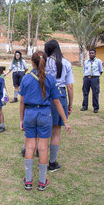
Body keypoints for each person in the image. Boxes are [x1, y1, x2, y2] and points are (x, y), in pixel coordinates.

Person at [19, 51, 71, 191]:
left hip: (29, 114)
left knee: (30, 147)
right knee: (43, 148)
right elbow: (57, 102)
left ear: (32, 62)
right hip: (44, 115)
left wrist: (21, 119)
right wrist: (65, 121)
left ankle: (28, 181)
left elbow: (22, 103)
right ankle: (42, 181)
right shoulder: (50, 79)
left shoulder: (26, 79)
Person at [44, 39, 74, 172]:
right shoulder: (66, 63)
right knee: (56, 131)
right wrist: (70, 104)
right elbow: (70, 86)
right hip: (60, 95)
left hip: (44, 94)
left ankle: (39, 154)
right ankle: (52, 163)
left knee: (43, 128)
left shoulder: (44, 62)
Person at [81, 49, 103, 113]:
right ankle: (85, 106)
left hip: (95, 78)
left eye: (92, 53)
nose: (91, 54)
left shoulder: (98, 61)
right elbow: (84, 70)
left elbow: (101, 71)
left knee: (95, 93)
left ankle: (96, 107)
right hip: (86, 78)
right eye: (90, 53)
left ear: (95, 54)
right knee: (85, 92)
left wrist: (95, 77)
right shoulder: (86, 62)